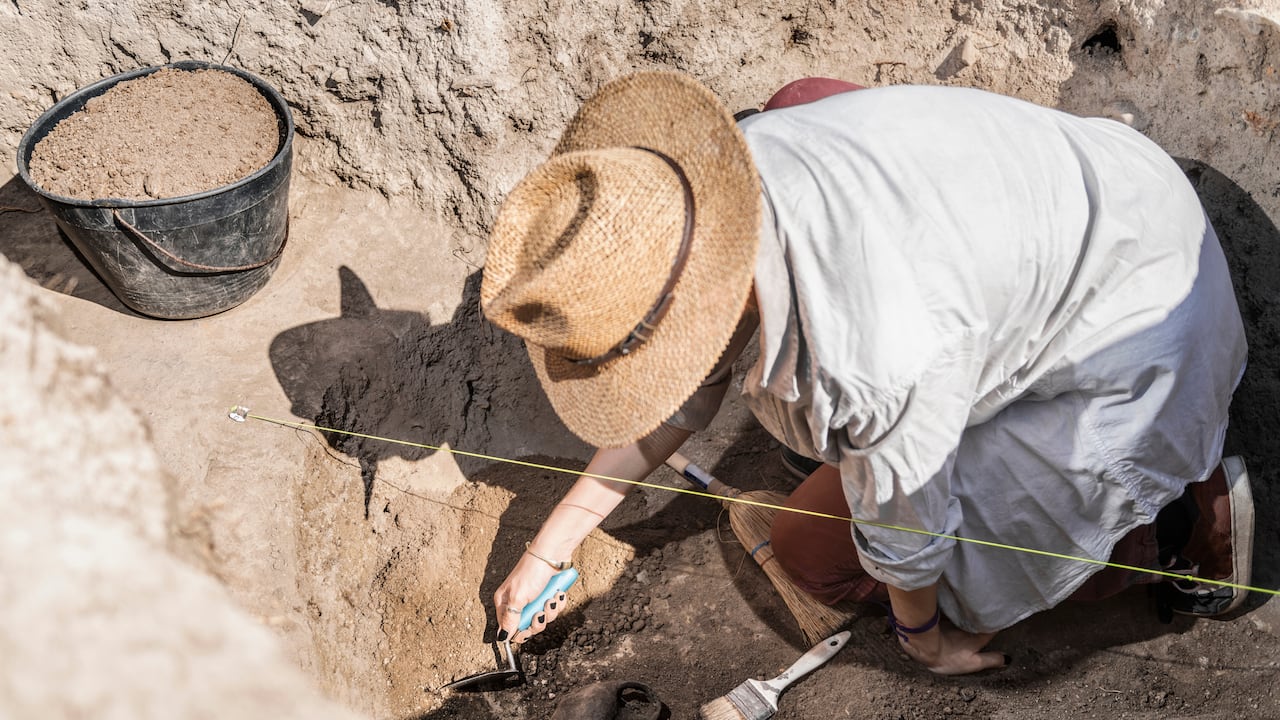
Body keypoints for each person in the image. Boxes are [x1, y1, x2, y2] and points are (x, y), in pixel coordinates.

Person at [478, 71, 1253, 675]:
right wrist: (550, 549)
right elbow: (680, 398)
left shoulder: (867, 358)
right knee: (805, 98)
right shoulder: (739, 166)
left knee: (813, 554)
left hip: (1143, 344)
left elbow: (906, 533)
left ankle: (1176, 527)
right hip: (1105, 193)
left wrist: (926, 641)